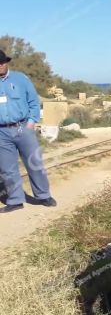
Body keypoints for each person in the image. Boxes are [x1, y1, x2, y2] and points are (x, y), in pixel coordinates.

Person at [0, 49, 57, 213]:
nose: (0, 65)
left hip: (23, 127)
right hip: (2, 133)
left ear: (6, 62)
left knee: (35, 163)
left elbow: (33, 102)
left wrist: (31, 123)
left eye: (2, 62)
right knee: (7, 169)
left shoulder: (21, 79)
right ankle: (15, 200)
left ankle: (43, 196)